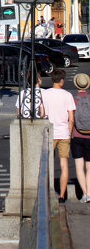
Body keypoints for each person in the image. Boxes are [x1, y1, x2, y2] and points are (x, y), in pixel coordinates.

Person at [42, 68, 76, 203]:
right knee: (64, 164)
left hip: (49, 132)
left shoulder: (45, 94)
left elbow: (42, 113)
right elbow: (71, 118)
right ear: (61, 81)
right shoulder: (67, 95)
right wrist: (69, 132)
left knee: (47, 164)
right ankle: (62, 194)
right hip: (63, 133)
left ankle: (47, 192)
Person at [71, 73, 90, 202]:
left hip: (76, 136)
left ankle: (84, 194)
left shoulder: (73, 99)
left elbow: (71, 119)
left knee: (79, 166)